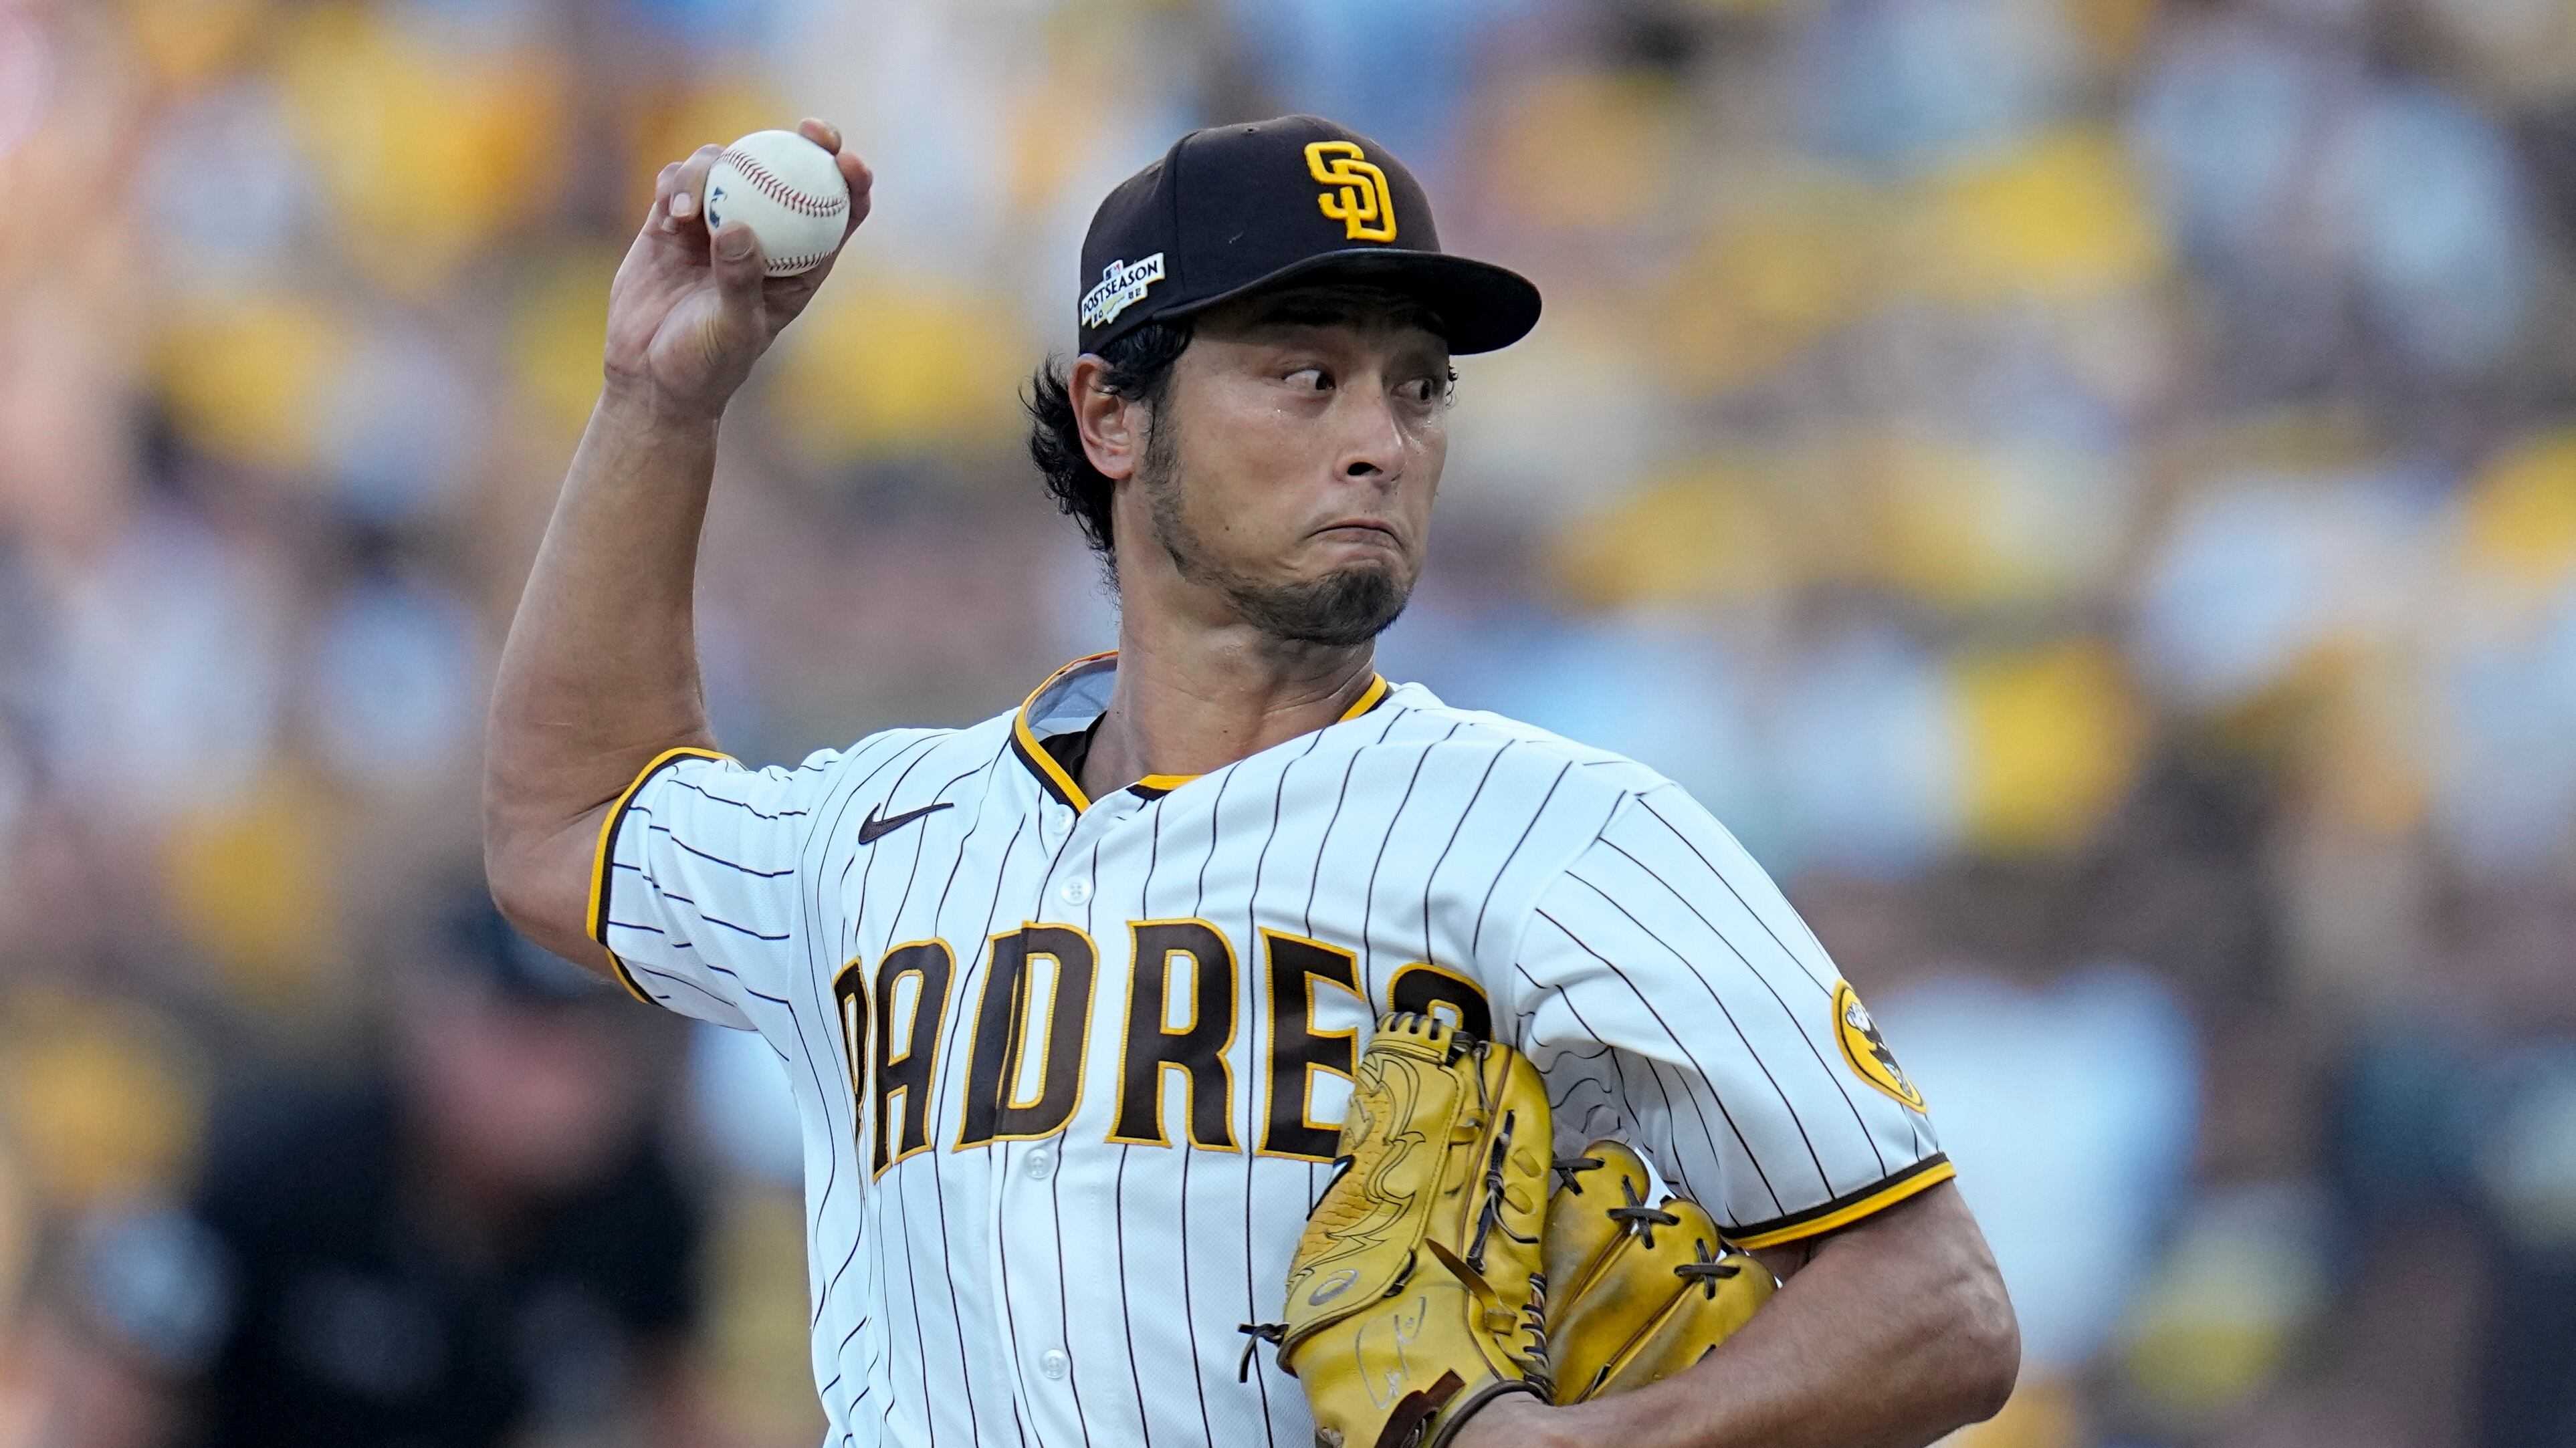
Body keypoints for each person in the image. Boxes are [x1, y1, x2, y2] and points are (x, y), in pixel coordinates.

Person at [484, 112, 2019, 1447]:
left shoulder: (1568, 838)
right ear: (1111, 414)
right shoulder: (882, 834)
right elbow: (568, 826)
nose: (1380, 441)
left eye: (1418, 387)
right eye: (1305, 374)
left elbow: (1937, 1303)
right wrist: (659, 404)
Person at [49, 886, 708, 1448]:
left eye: (587, 1038)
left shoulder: (638, 1204)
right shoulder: (281, 1167)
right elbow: (120, 1378)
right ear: (430, 1023)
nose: (560, 1082)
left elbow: (681, 1404)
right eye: (526, 1039)